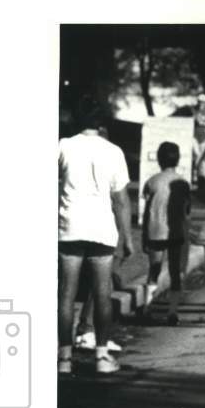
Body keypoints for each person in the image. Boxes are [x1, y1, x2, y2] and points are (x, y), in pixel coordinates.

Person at [58, 99, 133, 375]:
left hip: (70, 227)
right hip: (102, 229)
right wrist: (128, 236)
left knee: (66, 293)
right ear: (101, 123)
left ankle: (64, 358)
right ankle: (102, 356)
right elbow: (121, 200)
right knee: (102, 293)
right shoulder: (113, 151)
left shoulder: (63, 146)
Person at [142, 140, 192, 325]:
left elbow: (147, 210)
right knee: (174, 272)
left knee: (154, 270)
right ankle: (172, 311)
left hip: (155, 231)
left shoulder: (151, 181)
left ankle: (147, 306)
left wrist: (143, 236)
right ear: (178, 160)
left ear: (158, 159)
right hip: (176, 233)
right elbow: (187, 211)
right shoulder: (183, 183)